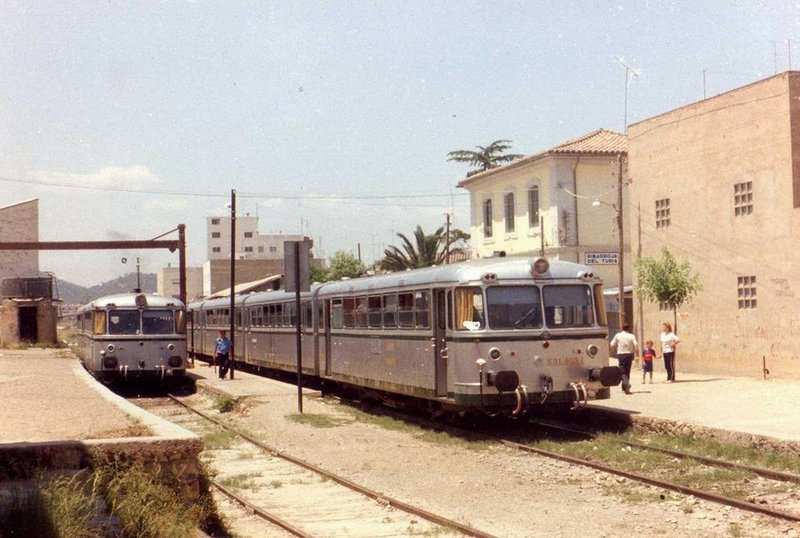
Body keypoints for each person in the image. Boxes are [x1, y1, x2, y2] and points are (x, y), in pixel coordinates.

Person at [610, 323, 638, 394]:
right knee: (627, 371)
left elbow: (612, 344)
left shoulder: (618, 335)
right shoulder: (632, 336)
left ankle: (626, 383)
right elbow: (636, 345)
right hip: (629, 355)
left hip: (621, 355)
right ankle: (625, 388)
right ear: (629, 328)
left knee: (622, 371)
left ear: (622, 328)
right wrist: (637, 355)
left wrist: (610, 352)